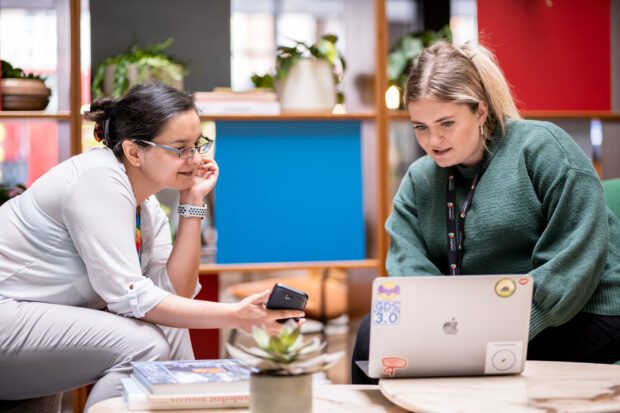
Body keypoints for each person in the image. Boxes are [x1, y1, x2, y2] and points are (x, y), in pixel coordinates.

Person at [0, 83, 304, 408]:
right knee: (144, 344)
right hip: (8, 311)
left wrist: (192, 200)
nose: (196, 158)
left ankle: (191, 403)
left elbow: (175, 296)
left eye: (198, 145)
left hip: (32, 316)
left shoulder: (146, 204)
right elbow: (131, 296)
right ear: (134, 152)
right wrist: (236, 315)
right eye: (180, 148)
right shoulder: (97, 181)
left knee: (170, 325)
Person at [351, 41, 620, 384]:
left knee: (471, 373)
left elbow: (574, 260)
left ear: (480, 112)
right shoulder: (420, 179)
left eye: (446, 123)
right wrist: (440, 325)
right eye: (420, 127)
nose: (433, 140)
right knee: (369, 337)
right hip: (482, 320)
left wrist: (498, 327)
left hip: (584, 310)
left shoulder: (541, 148)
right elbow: (408, 264)